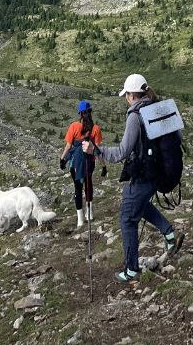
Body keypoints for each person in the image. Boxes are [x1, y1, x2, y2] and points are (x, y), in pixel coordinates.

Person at [82, 72, 184, 284]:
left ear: (131, 95)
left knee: (128, 218)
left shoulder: (135, 116)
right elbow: (177, 137)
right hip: (159, 172)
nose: (126, 99)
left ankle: (131, 270)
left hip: (144, 174)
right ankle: (169, 233)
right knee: (140, 204)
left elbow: (122, 152)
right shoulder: (158, 108)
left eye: (126, 95)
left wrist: (95, 150)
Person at [59, 100, 107, 230]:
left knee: (77, 188)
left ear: (80, 113)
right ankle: (89, 213)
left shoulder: (74, 126)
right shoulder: (96, 129)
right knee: (88, 184)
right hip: (89, 162)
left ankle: (80, 219)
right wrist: (103, 166)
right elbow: (98, 150)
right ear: (90, 112)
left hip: (75, 163)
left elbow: (68, 146)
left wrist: (63, 159)